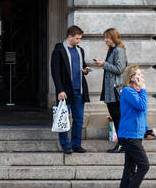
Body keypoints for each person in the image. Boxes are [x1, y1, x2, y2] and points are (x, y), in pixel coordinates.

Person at [50, 25, 91, 154]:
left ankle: (76, 145)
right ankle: (65, 145)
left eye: (80, 38)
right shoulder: (59, 50)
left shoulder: (80, 50)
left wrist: (85, 70)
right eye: (77, 38)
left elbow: (81, 66)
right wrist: (60, 90)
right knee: (64, 118)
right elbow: (55, 72)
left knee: (78, 119)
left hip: (79, 90)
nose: (79, 41)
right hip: (65, 92)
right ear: (70, 36)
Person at [115, 65, 150, 188]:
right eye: (138, 75)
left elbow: (140, 114)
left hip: (135, 134)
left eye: (141, 75)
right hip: (129, 135)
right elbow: (142, 106)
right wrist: (143, 88)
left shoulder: (135, 91)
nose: (141, 77)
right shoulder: (128, 91)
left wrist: (147, 129)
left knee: (129, 168)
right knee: (144, 165)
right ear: (131, 77)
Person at [93, 28, 128, 154]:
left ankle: (122, 144)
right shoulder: (112, 50)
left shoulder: (119, 50)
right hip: (110, 90)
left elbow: (120, 69)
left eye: (107, 37)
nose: (105, 40)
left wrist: (104, 64)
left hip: (115, 91)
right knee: (116, 117)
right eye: (105, 37)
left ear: (113, 37)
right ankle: (122, 144)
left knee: (118, 117)